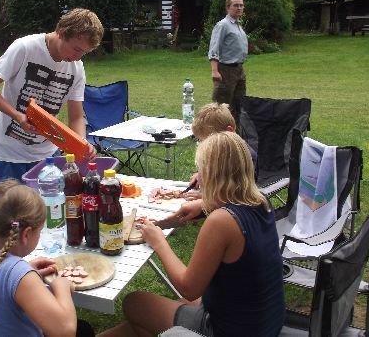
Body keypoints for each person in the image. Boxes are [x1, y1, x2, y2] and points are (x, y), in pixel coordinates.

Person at [100, 132, 284, 336]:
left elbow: (189, 287)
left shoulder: (222, 221)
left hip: (227, 329)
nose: (198, 176)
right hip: (263, 322)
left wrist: (159, 241)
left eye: (200, 170)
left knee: (135, 303)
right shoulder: (261, 201)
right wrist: (206, 205)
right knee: (150, 318)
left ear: (212, 174)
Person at [0, 8, 104, 195]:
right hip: (8, 156)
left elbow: (76, 116)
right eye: (76, 49)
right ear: (61, 32)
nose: (78, 57)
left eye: (84, 53)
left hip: (48, 160)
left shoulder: (77, 68)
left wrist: (81, 143)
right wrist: (17, 116)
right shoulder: (25, 48)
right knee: (3, 220)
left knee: (46, 219)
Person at [0, 179, 92, 336]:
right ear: (26, 234)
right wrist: (61, 288)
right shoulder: (19, 274)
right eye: (40, 231)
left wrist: (26, 272)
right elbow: (65, 331)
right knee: (83, 331)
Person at [208, 0, 248, 123]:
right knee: (221, 106)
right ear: (228, 7)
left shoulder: (237, 25)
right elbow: (214, 48)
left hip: (239, 70)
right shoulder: (223, 25)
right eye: (236, 5)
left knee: (239, 104)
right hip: (225, 70)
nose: (239, 8)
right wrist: (215, 70)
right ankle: (215, 135)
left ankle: (234, 135)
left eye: (241, 5)